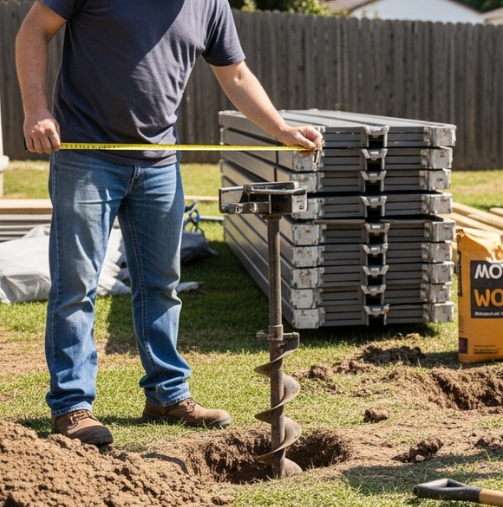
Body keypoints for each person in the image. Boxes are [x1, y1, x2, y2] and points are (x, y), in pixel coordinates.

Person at [15, 0, 322, 447]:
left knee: (161, 284)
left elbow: (235, 74)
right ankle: (72, 406)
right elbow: (32, 30)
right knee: (75, 286)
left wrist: (282, 130)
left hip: (160, 163)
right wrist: (36, 109)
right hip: (84, 156)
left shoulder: (209, 3)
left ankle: (166, 394)